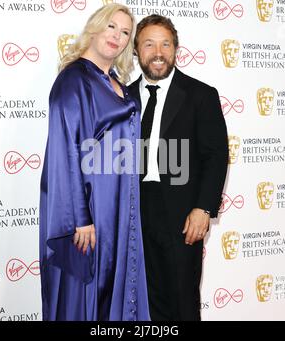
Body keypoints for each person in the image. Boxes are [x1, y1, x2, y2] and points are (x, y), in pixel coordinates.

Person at [39, 4, 150, 321]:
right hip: (91, 208)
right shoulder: (73, 80)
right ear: (95, 27)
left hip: (120, 204)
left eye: (125, 32)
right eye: (111, 26)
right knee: (89, 291)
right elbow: (66, 151)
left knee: (113, 283)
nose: (117, 36)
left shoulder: (115, 80)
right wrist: (80, 217)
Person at [129, 15, 229, 320]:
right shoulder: (122, 98)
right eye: (149, 44)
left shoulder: (200, 95)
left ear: (176, 49)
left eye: (165, 44)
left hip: (183, 214)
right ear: (136, 50)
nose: (158, 52)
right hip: (134, 214)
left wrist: (203, 208)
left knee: (182, 300)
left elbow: (216, 155)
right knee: (142, 299)